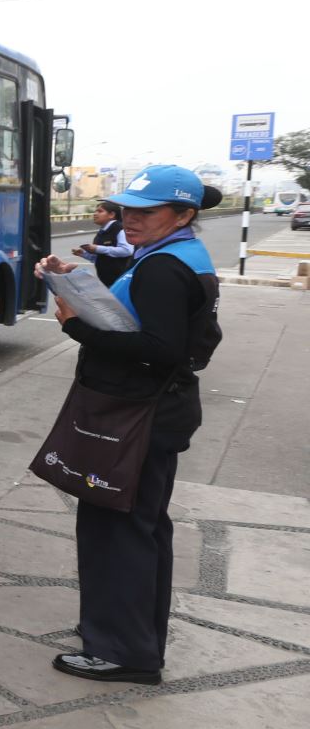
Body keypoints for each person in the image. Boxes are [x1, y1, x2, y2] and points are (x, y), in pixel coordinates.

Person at [38, 165, 222, 685]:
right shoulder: (177, 256)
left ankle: (123, 652)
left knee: (118, 530)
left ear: (184, 214)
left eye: (145, 212)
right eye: (125, 210)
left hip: (138, 417)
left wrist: (75, 325)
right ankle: (128, 636)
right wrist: (77, 284)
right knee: (138, 526)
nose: (129, 220)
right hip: (153, 414)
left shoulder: (166, 267)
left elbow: (160, 350)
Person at [74, 201, 133, 287]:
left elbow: (127, 250)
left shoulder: (119, 228)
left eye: (100, 211)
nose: (95, 214)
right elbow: (101, 258)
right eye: (95, 211)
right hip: (106, 280)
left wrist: (98, 248)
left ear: (111, 214)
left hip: (119, 280)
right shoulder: (102, 232)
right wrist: (84, 254)